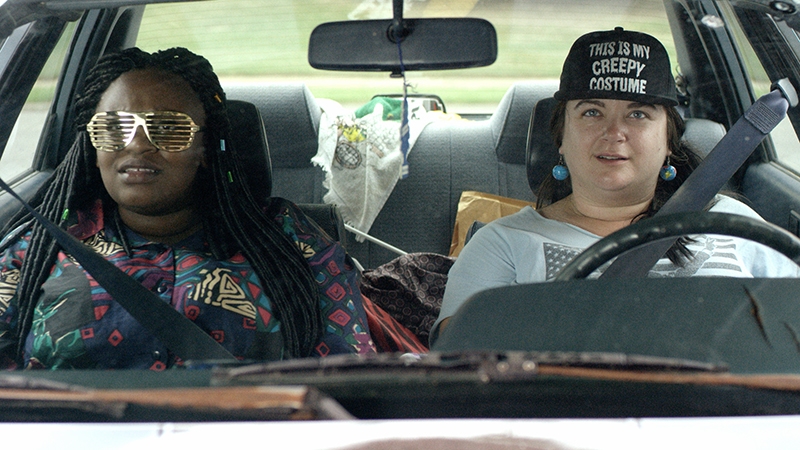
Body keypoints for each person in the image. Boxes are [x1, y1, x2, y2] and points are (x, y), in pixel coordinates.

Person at [0, 47, 375, 370]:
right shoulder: (36, 252)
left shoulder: (291, 243)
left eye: (168, 129)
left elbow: (349, 375)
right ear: (93, 149)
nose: (137, 145)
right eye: (114, 128)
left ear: (205, 150)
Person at [432, 27, 800, 343]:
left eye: (638, 114)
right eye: (592, 112)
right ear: (560, 138)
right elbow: (460, 361)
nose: (614, 133)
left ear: (669, 140)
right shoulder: (502, 243)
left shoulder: (734, 223)